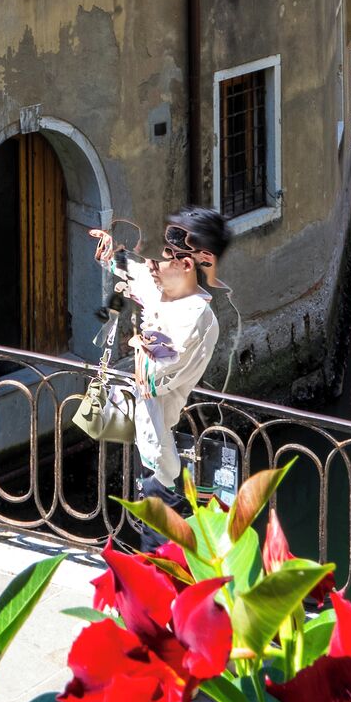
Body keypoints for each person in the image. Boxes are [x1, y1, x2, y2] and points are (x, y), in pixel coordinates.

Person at [90, 208, 231, 506]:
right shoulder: (159, 286)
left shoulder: (194, 316)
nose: (151, 267)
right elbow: (133, 269)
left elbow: (154, 374)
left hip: (161, 453)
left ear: (186, 264)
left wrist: (139, 343)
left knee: (158, 516)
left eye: (160, 261)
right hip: (145, 432)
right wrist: (109, 251)